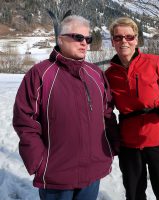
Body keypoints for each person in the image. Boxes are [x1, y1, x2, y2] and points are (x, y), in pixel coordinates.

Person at [13, 15, 119, 200]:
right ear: (61, 39)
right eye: (78, 37)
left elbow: (107, 113)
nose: (84, 43)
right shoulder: (40, 74)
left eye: (88, 39)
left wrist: (111, 146)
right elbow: (25, 120)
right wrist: (39, 161)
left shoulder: (95, 74)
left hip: (93, 172)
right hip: (56, 175)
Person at [105, 17, 159, 200]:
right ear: (113, 41)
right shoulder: (109, 74)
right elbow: (104, 108)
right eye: (118, 37)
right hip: (129, 143)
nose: (124, 42)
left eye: (129, 37)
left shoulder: (154, 62)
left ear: (136, 40)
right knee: (134, 194)